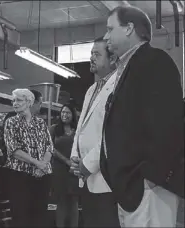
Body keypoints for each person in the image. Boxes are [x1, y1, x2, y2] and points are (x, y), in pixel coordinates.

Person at [100, 6, 183, 227]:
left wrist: (151, 178)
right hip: (130, 189)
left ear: (129, 29)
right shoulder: (126, 68)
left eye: (110, 29)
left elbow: (170, 123)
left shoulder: (155, 61)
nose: (106, 36)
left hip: (149, 188)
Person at [70, 37, 120, 227]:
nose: (91, 58)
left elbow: (113, 133)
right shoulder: (91, 89)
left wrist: (88, 164)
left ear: (113, 59)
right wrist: (75, 157)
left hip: (105, 179)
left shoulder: (118, 86)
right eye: (91, 53)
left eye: (97, 54)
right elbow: (80, 128)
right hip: (85, 177)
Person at [3, 88, 53, 227]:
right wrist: (38, 163)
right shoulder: (11, 122)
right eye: (13, 100)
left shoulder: (41, 123)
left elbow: (49, 147)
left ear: (29, 102)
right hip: (20, 176)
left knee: (40, 218)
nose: (15, 103)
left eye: (18, 100)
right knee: (21, 218)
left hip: (42, 176)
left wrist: (43, 165)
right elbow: (13, 149)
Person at [49, 103, 79, 228]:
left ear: (73, 115)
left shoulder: (78, 130)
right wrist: (67, 161)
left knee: (74, 202)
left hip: (74, 170)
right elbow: (50, 148)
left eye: (67, 112)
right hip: (59, 170)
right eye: (62, 112)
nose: (64, 115)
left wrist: (75, 164)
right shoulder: (54, 129)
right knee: (61, 202)